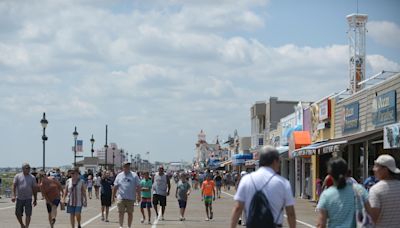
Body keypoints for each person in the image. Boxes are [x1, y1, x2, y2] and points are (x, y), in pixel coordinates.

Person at [230, 146, 296, 228]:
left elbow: (238, 208)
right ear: (275, 161)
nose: (279, 164)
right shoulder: (283, 183)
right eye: (279, 161)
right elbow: (290, 213)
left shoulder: (246, 180)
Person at [316, 157, 368, 228]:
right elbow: (372, 214)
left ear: (330, 175)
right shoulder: (359, 190)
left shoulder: (326, 195)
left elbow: (321, 224)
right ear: (346, 171)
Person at [367, 154, 400, 227]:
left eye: (376, 166)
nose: (373, 169)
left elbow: (373, 218)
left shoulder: (376, 190)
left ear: (385, 170)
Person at [112, 161, 141, 228]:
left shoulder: (134, 175)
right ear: (123, 167)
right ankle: (121, 226)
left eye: (128, 166)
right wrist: (112, 197)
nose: (127, 167)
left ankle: (129, 226)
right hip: (121, 197)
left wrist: (139, 196)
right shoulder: (119, 175)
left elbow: (138, 186)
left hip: (131, 198)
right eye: (125, 166)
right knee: (120, 213)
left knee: (130, 213)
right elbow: (115, 186)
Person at [12, 163, 38, 228]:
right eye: (27, 168)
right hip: (19, 198)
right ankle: (22, 224)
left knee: (28, 214)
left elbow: (34, 188)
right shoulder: (17, 176)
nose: (28, 169)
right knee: (18, 213)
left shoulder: (32, 177)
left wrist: (35, 199)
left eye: (29, 168)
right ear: (23, 169)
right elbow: (14, 186)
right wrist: (13, 195)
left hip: (28, 198)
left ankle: (26, 226)